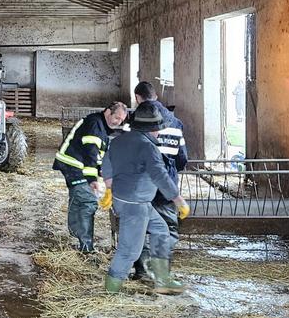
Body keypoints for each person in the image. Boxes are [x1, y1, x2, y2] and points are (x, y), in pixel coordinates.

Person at [101, 102, 188, 294]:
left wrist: (109, 186)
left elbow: (106, 162)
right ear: (151, 129)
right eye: (157, 129)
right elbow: (160, 175)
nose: (158, 133)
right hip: (136, 205)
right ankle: (111, 290)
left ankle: (162, 279)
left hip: (127, 200)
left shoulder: (118, 140)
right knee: (129, 250)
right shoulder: (148, 148)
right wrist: (177, 199)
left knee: (161, 231)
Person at [130, 81, 188, 282]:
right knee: (167, 229)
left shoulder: (135, 121)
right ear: (155, 95)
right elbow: (182, 159)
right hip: (165, 189)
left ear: (138, 97)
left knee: (141, 228)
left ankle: (142, 271)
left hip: (140, 187)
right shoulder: (176, 122)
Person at [53, 101, 128, 255]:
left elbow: (99, 157)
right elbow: (90, 153)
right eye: (117, 118)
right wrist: (92, 179)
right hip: (73, 165)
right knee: (87, 201)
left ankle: (77, 234)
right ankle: (86, 248)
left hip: (77, 165)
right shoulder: (95, 125)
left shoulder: (101, 126)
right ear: (108, 112)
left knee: (82, 200)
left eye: (121, 120)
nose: (118, 122)